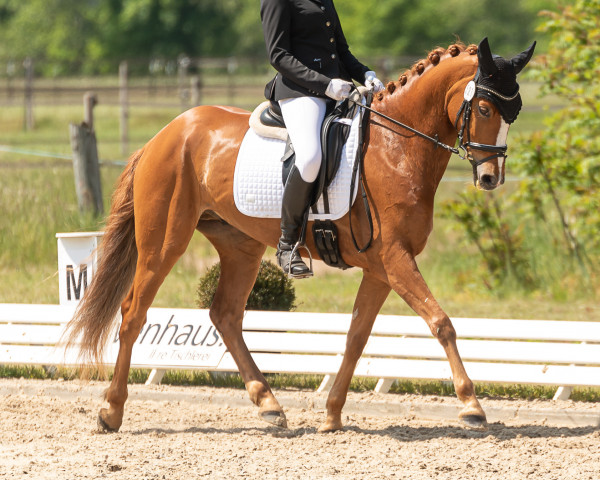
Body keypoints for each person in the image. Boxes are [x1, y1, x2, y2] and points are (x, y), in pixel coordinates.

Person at [260, 0, 384, 278]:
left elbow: (340, 51)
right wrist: (325, 84)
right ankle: (287, 244)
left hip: (338, 90)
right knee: (310, 157)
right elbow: (278, 55)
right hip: (301, 92)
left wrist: (365, 73)